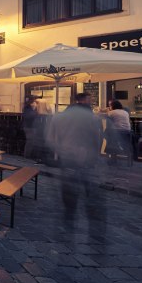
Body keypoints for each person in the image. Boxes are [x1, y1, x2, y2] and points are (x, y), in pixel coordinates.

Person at [47, 93, 106, 242]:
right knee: (90, 193)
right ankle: (94, 228)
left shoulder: (59, 117)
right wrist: (92, 155)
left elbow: (50, 140)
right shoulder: (92, 118)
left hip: (67, 159)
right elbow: (97, 139)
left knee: (68, 191)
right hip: (87, 160)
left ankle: (69, 220)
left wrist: (63, 151)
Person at [106, 100, 132, 166]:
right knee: (108, 134)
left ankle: (112, 158)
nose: (109, 107)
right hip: (127, 132)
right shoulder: (125, 112)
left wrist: (107, 111)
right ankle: (128, 160)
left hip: (117, 132)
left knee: (108, 138)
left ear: (112, 106)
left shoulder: (112, 112)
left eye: (110, 105)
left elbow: (102, 116)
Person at [22, 96, 38, 161]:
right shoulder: (28, 107)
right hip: (29, 126)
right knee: (30, 141)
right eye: (33, 100)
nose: (34, 101)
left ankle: (28, 155)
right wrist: (35, 111)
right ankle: (27, 155)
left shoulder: (27, 107)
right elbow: (30, 115)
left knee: (30, 141)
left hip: (28, 126)